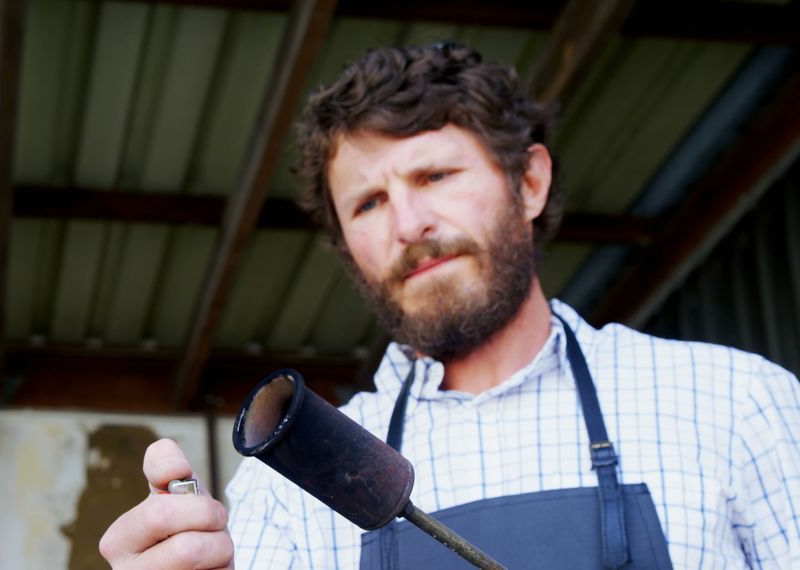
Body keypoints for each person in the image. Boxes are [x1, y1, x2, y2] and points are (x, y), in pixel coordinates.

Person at [100, 42, 800, 569]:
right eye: (369, 202)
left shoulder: (736, 404)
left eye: (434, 175)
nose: (407, 224)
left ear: (529, 182)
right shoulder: (290, 489)